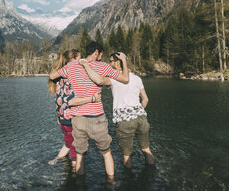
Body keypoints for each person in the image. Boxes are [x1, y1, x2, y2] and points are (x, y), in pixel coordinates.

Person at [49, 42, 129, 179]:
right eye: (101, 54)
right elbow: (125, 79)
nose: (101, 57)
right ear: (96, 52)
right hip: (96, 116)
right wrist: (124, 61)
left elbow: (52, 77)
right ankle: (111, 183)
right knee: (106, 152)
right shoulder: (103, 66)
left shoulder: (71, 66)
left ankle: (80, 185)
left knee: (79, 155)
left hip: (77, 118)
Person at [79, 52, 155, 168]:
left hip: (125, 121)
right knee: (146, 149)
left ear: (117, 62)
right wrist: (135, 112)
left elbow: (98, 80)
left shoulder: (114, 78)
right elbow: (145, 99)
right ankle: (152, 174)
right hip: (141, 118)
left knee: (126, 155)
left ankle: (128, 180)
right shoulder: (137, 78)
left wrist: (86, 65)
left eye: (111, 61)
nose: (109, 63)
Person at [47, 49, 102, 170]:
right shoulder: (73, 74)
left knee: (68, 142)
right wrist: (92, 98)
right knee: (75, 149)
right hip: (71, 117)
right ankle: (75, 175)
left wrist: (58, 117)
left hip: (62, 118)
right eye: (80, 58)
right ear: (75, 59)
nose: (81, 60)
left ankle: (56, 160)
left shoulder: (60, 75)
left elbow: (60, 99)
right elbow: (71, 100)